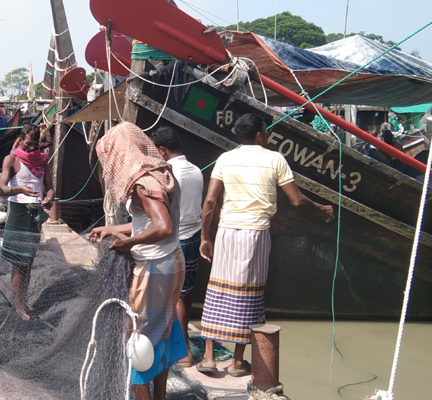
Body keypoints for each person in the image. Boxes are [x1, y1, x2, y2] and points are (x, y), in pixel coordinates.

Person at [196, 114, 333, 377]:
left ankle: (209, 357)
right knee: (248, 293)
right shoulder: (275, 159)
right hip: (255, 234)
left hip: (226, 231)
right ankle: (237, 361)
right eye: (266, 130)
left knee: (217, 290)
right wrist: (321, 209)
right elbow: (296, 200)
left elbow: (210, 201)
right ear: (260, 134)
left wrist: (205, 236)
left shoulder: (225, 158)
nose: (267, 134)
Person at [89, 122, 187, 400]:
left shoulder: (143, 184)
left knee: (138, 340)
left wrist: (128, 243)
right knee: (162, 332)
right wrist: (113, 230)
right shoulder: (160, 172)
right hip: (171, 260)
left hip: (154, 269)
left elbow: (164, 226)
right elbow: (149, 222)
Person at [151, 126, 203, 368]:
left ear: (162, 150)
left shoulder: (169, 174)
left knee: (176, 296)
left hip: (176, 239)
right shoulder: (195, 170)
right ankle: (185, 342)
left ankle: (183, 353)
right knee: (186, 292)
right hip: (193, 234)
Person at [0, 123, 55, 320]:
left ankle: (25, 301)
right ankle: (18, 306)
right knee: (18, 262)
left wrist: (49, 198)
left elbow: (49, 187)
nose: (32, 148)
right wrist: (20, 189)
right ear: (21, 140)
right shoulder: (11, 159)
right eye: (28, 144)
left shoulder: (42, 160)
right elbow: (2, 188)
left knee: (28, 261)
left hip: (35, 214)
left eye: (35, 144)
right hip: (18, 212)